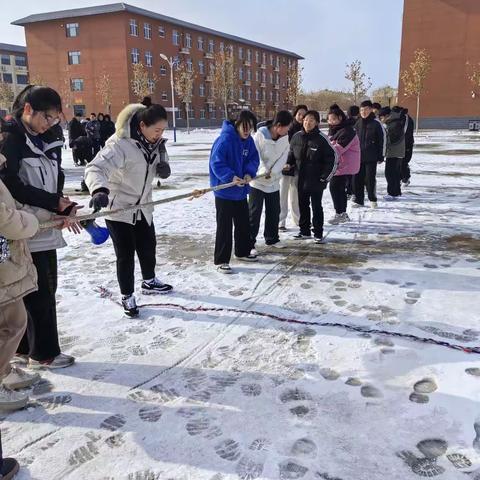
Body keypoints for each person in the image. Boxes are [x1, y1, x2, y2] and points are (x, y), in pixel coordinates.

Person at [0, 85, 82, 369]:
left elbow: (54, 175)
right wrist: (53, 203)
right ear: (27, 110)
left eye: (55, 119)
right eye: (46, 117)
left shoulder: (43, 137)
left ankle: (23, 348)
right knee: (39, 291)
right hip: (24, 228)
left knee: (37, 289)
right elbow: (13, 187)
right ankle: (43, 353)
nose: (50, 123)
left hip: (45, 224)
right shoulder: (10, 141)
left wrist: (62, 203)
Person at [85, 97, 173, 317]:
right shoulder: (120, 144)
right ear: (142, 126)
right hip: (119, 209)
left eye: (163, 130)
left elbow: (162, 161)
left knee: (148, 246)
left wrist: (164, 168)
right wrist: (99, 190)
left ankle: (149, 281)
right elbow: (96, 168)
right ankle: (127, 295)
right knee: (125, 255)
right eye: (157, 130)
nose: (160, 134)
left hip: (144, 206)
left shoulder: (156, 144)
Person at [209, 110, 260, 274]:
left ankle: (243, 251)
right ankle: (222, 259)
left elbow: (253, 159)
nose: (247, 131)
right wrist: (230, 177)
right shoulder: (225, 140)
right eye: (244, 127)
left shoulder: (249, 142)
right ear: (236, 125)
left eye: (250, 127)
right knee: (224, 227)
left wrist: (248, 173)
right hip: (224, 192)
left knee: (243, 223)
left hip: (240, 192)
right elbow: (216, 163)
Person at [286, 110, 337, 243]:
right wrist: (288, 164)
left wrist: (325, 177)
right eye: (306, 119)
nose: (308, 122)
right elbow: (291, 154)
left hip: (316, 180)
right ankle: (304, 231)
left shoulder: (322, 139)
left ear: (317, 123)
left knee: (316, 206)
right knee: (302, 205)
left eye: (312, 120)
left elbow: (333, 159)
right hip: (300, 178)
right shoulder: (296, 137)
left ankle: (318, 232)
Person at [249, 110, 293, 254]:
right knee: (254, 213)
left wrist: (273, 172)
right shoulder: (260, 134)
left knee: (274, 211)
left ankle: (272, 238)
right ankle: (249, 242)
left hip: (273, 180)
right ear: (278, 125)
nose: (288, 130)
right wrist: (263, 170)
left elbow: (283, 156)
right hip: (258, 181)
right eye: (286, 127)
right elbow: (255, 155)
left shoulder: (285, 138)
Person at [327, 104, 360, 224]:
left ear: (340, 118)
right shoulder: (336, 129)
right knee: (338, 189)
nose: (331, 122)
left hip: (346, 165)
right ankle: (342, 213)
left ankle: (340, 213)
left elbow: (338, 149)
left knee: (335, 187)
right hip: (341, 165)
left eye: (333, 119)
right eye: (329, 119)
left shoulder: (347, 130)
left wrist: (322, 151)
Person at [279, 105, 307, 231]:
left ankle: (298, 219)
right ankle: (281, 221)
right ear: (295, 114)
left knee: (296, 195)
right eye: (299, 114)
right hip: (285, 167)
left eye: (304, 114)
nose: (301, 117)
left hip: (299, 168)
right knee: (282, 194)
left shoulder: (307, 130)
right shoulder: (288, 129)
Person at [353, 100, 386, 209]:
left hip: (371, 157)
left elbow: (383, 140)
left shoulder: (376, 123)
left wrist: (381, 155)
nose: (363, 112)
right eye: (361, 110)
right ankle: (359, 200)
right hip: (358, 157)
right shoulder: (358, 123)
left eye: (366, 109)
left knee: (369, 179)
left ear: (371, 110)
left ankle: (372, 199)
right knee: (357, 179)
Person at [379, 106, 406, 200]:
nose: (381, 120)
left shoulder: (394, 124)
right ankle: (396, 192)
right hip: (396, 152)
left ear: (387, 116)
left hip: (395, 152)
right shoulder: (394, 122)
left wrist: (384, 143)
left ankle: (392, 193)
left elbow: (392, 139)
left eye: (381, 118)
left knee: (390, 173)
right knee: (394, 173)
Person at [402, 108, 415, 186]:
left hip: (407, 144)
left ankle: (405, 178)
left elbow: (407, 133)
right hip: (404, 144)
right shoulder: (405, 119)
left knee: (404, 162)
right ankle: (403, 178)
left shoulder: (407, 120)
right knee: (401, 162)